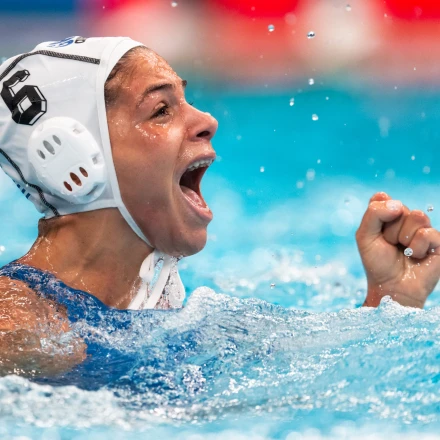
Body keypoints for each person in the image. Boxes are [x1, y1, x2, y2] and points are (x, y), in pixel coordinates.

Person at [0, 37, 439, 378]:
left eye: (185, 100)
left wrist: (390, 303)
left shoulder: (168, 313)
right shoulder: (17, 326)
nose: (206, 120)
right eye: (161, 110)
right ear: (71, 160)